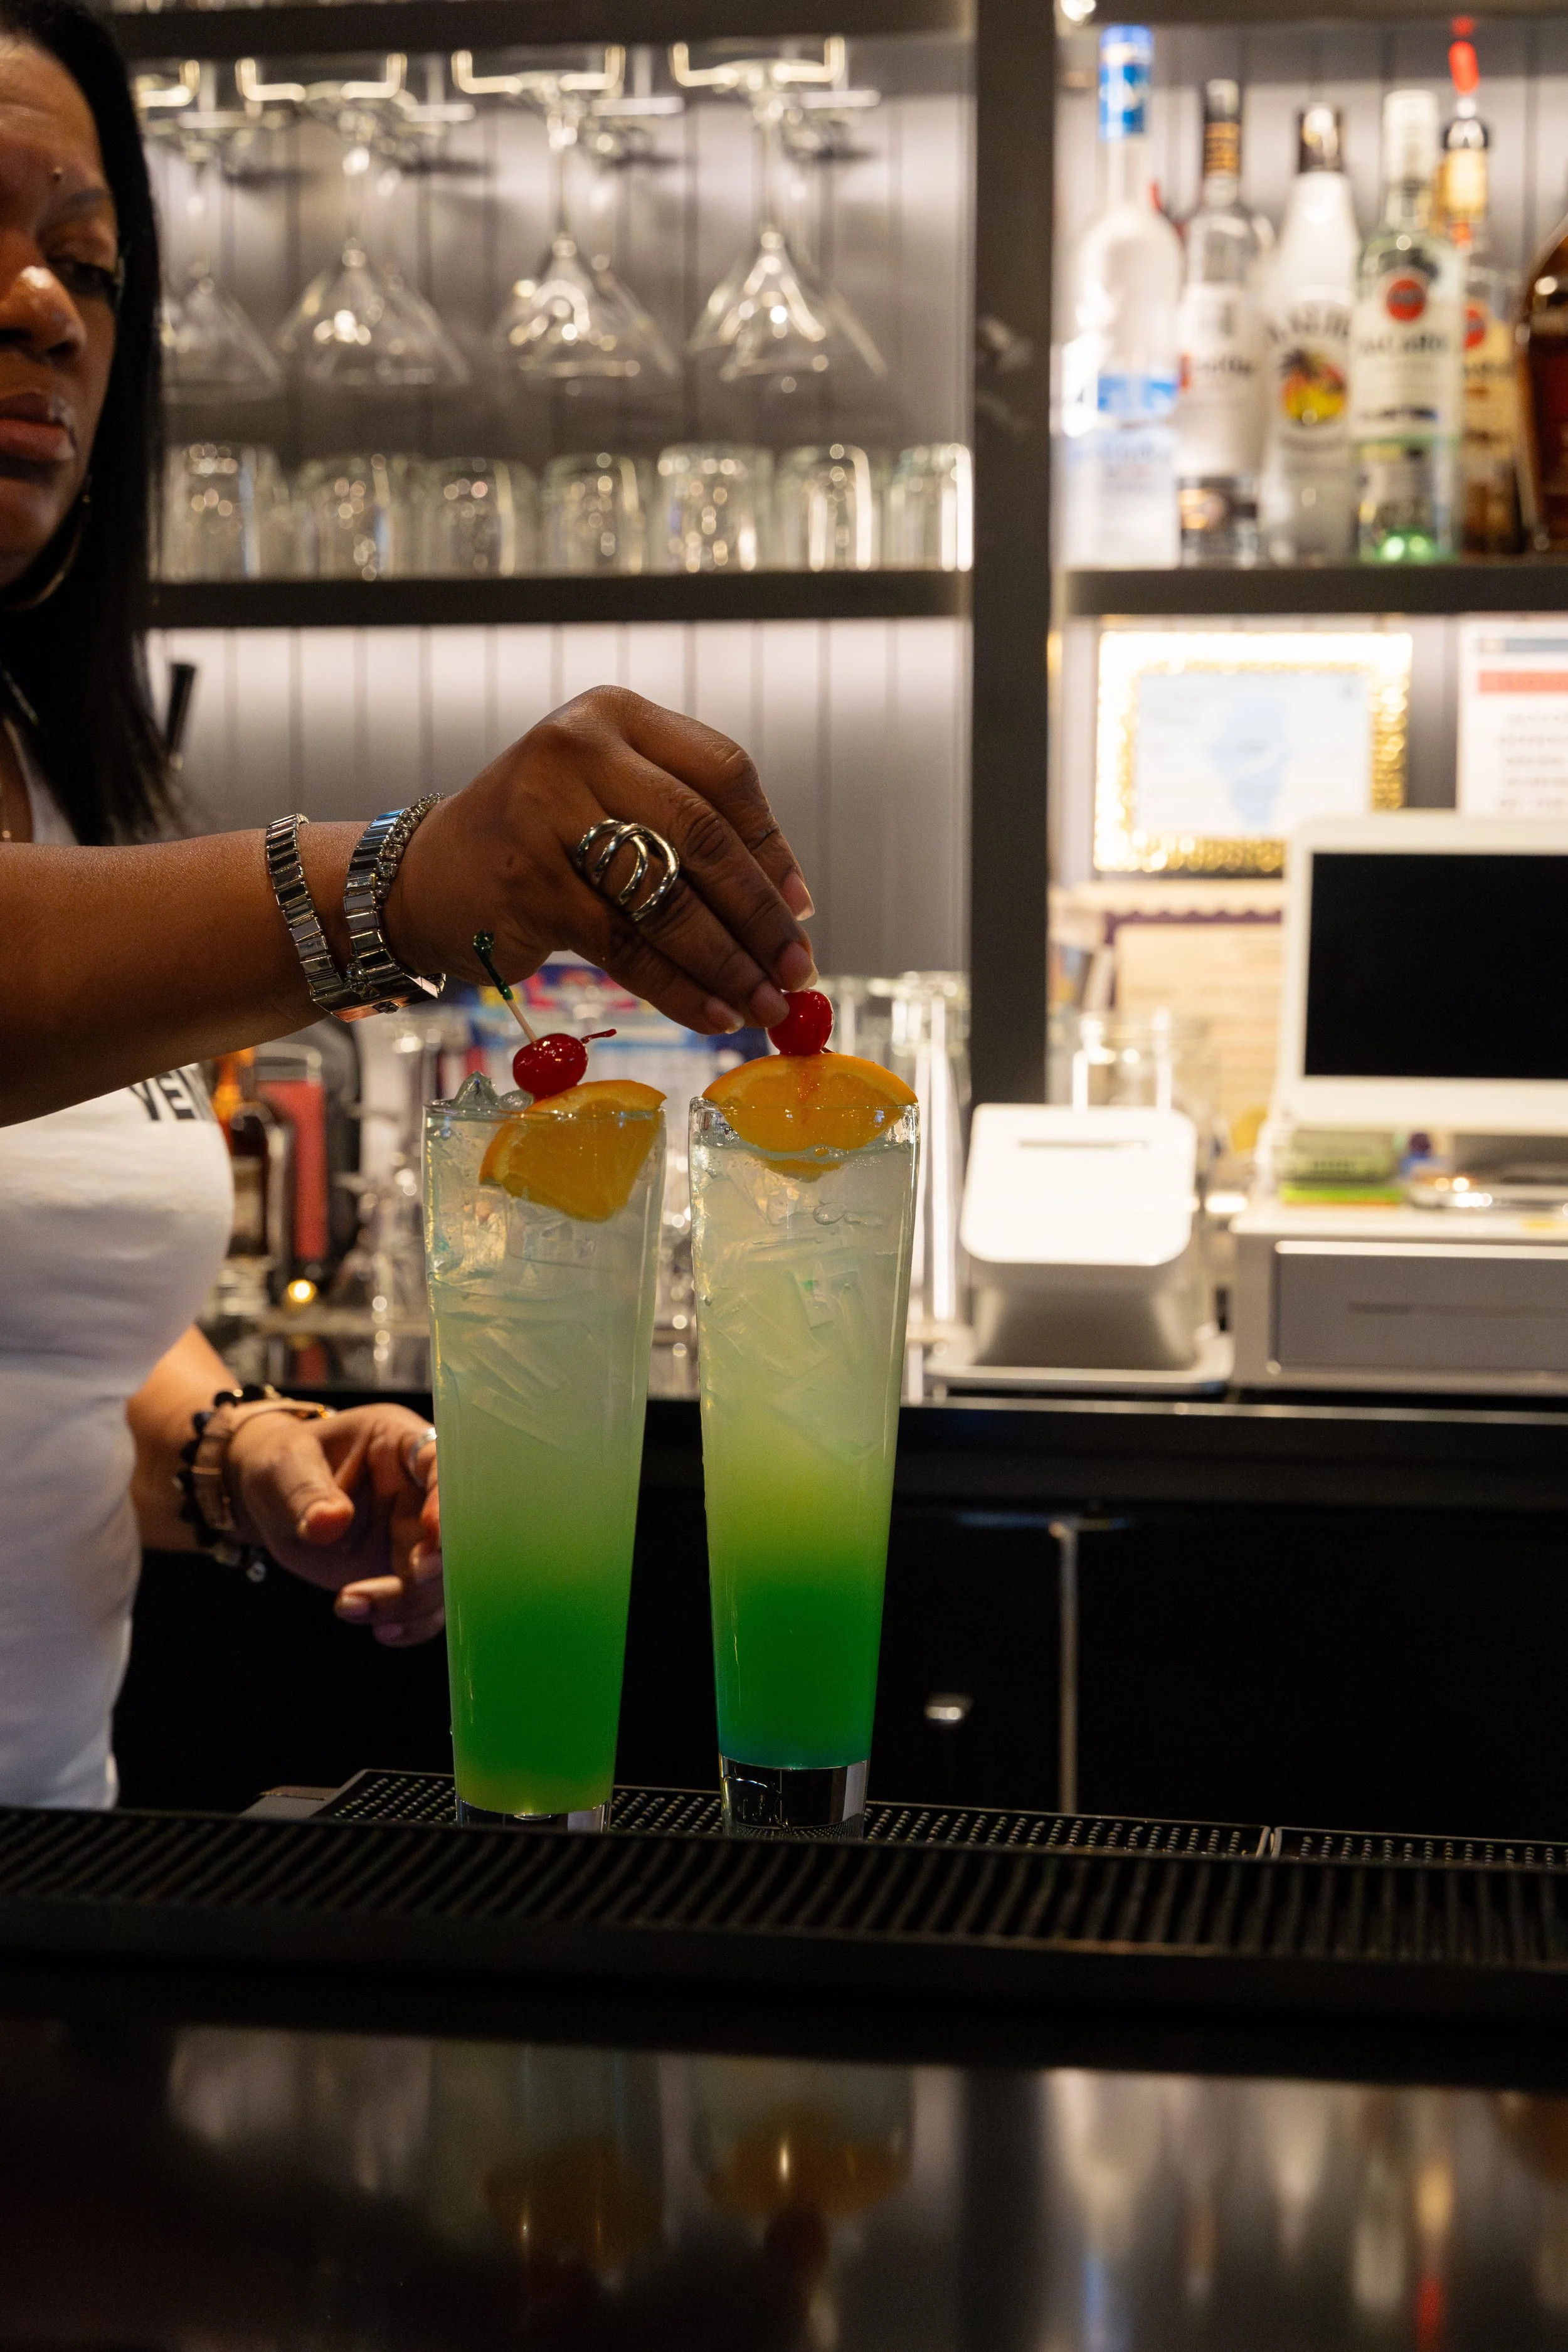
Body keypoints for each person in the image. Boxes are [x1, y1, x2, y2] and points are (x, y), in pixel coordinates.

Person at [0, 0, 815, 1808]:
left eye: (91, 265)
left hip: (57, 1852)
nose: (46, 308)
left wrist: (235, 1448)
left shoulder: (47, 764)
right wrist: (400, 882)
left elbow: (34, 1333)